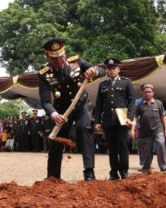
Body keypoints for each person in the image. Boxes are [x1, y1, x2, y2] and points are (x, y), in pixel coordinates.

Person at [38, 38, 105, 181]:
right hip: (62, 111)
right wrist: (54, 115)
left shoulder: (77, 61)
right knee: (57, 139)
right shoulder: (44, 74)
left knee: (83, 128)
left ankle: (89, 172)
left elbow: (102, 71)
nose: (60, 60)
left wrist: (94, 71)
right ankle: (53, 176)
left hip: (82, 105)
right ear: (47, 56)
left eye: (62, 56)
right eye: (55, 58)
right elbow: (45, 101)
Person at [94, 58, 135, 180]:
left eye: (114, 68)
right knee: (111, 148)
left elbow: (132, 101)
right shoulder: (102, 85)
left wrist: (130, 117)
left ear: (118, 69)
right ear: (106, 70)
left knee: (122, 146)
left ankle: (124, 171)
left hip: (122, 118)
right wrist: (97, 121)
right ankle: (113, 172)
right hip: (108, 119)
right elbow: (99, 104)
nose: (111, 71)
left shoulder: (126, 82)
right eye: (109, 69)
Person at [131, 83, 166, 173]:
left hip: (158, 129)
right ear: (142, 93)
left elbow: (163, 116)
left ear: (153, 93)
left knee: (161, 144)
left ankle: (163, 166)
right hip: (145, 131)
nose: (147, 94)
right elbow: (135, 118)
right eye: (145, 92)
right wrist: (132, 129)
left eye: (149, 92)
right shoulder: (139, 105)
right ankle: (146, 167)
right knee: (146, 150)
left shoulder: (158, 103)